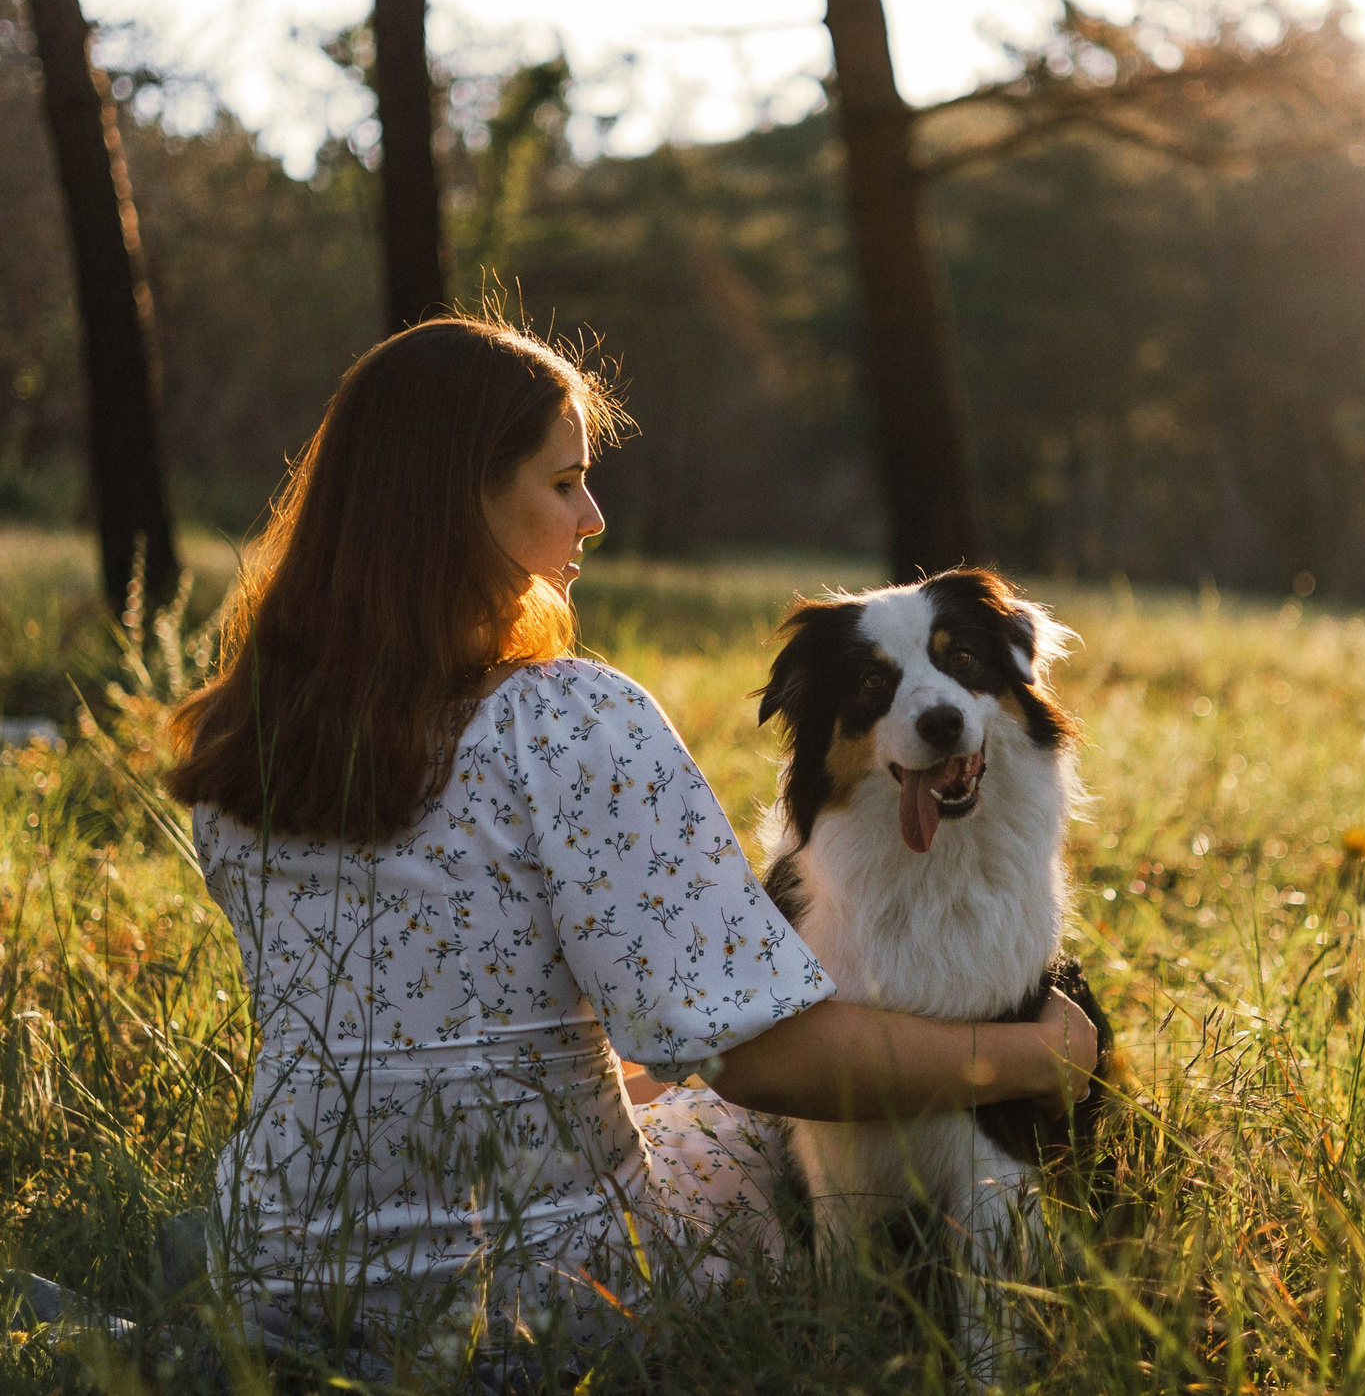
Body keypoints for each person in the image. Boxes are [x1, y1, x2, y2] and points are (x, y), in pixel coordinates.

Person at [162, 316, 1100, 1374]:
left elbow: (434, 1005)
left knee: (668, 1089)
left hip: (277, 1267)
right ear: (457, 498)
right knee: (737, 1138)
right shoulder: (566, 719)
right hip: (538, 1296)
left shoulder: (240, 738)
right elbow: (770, 1062)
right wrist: (1037, 1052)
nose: (593, 516)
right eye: (563, 483)